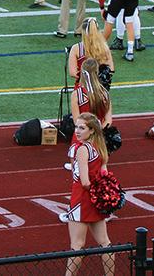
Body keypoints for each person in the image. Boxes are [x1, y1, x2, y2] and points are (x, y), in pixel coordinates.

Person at [61, 113, 114, 276]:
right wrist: (102, 194)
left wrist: (94, 191)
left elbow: (84, 182)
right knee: (105, 243)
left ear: (91, 130)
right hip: (96, 201)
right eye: (76, 127)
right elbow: (105, 175)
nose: (77, 131)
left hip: (81, 200)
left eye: (82, 128)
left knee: (77, 245)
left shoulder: (82, 149)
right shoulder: (100, 147)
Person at [68, 18, 114, 85]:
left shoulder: (76, 48)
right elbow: (111, 69)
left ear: (83, 31)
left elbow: (73, 73)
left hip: (83, 86)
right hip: (101, 87)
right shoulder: (104, 47)